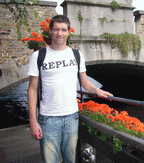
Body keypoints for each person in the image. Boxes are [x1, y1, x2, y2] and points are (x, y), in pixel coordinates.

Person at [27, 15, 113, 163]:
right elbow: (32, 90)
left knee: (70, 160)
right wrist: (33, 121)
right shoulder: (38, 56)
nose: (59, 33)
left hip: (71, 117)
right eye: (56, 29)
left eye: (63, 30)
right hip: (48, 119)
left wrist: (96, 90)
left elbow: (85, 82)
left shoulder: (76, 55)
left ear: (68, 32)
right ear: (50, 31)